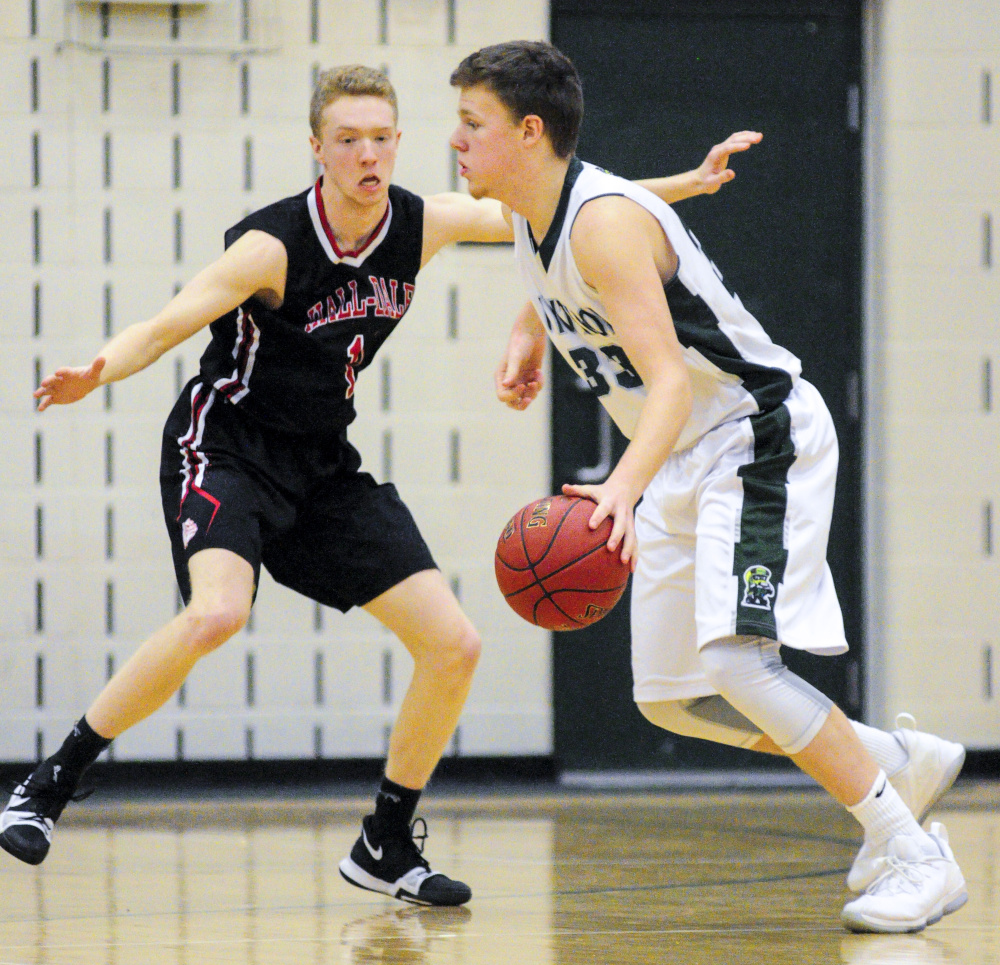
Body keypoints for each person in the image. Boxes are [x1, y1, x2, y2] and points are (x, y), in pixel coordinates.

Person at [1, 64, 756, 907]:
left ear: (399, 142)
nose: (368, 154)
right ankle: (48, 784)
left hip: (324, 464)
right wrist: (95, 371)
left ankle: (385, 842)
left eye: (382, 137)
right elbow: (169, 322)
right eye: (349, 139)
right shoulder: (272, 244)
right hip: (227, 447)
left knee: (455, 643)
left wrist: (681, 185)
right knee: (218, 611)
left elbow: (561, 202)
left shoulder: (419, 222)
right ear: (317, 148)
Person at [449, 41, 968, 933]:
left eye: (472, 123)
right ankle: (895, 759)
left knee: (736, 662)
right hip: (688, 457)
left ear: (528, 132)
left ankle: (912, 847)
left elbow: (675, 381)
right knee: (671, 695)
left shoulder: (602, 221)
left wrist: (616, 489)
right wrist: (532, 330)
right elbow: (571, 271)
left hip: (755, 435)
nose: (454, 140)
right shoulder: (535, 214)